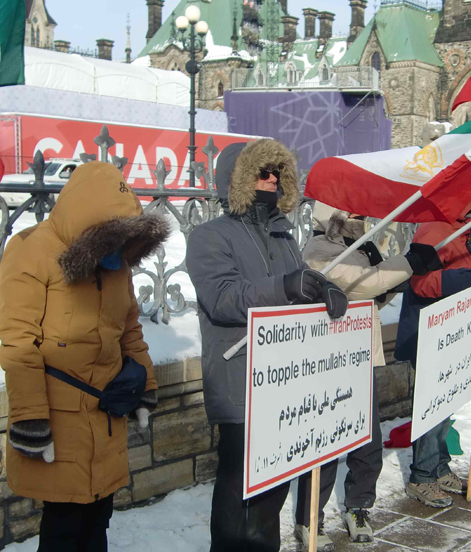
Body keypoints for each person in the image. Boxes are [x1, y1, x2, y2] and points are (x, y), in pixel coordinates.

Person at [186, 140, 348, 552]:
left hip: (282, 384)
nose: (272, 180)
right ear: (238, 179)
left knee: (271, 493)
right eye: (263, 172)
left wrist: (323, 288)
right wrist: (284, 287)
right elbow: (223, 298)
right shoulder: (209, 236)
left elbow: (296, 286)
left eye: (278, 172)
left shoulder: (283, 235)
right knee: (240, 497)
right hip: (240, 384)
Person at [0, 162, 167, 551]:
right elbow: (18, 342)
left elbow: (130, 331)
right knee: (63, 527)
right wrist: (30, 419)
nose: (115, 250)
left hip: (106, 416)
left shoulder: (117, 265)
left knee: (97, 521)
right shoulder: (31, 251)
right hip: (59, 421)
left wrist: (146, 386)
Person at [302, 203, 442, 543]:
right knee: (327, 438)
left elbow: (374, 296)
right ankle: (310, 518)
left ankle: (359, 505)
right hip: (329, 357)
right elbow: (359, 285)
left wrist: (396, 276)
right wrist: (406, 264)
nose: (361, 219)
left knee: (367, 437)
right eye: (352, 213)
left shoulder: (359, 248)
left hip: (362, 351)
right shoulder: (320, 247)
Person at [394, 189, 471, 508]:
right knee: (433, 408)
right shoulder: (435, 228)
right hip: (428, 332)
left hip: (452, 331)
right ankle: (422, 477)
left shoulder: (463, 228)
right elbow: (421, 282)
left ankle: (438, 467)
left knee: (445, 404)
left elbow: (458, 266)